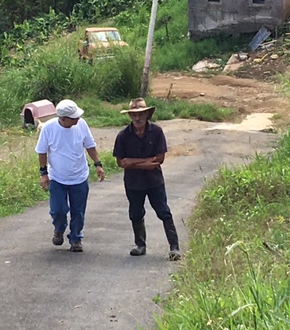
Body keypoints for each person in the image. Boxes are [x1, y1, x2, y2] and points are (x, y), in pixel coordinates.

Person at [113, 98, 181, 261]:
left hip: (154, 181)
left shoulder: (156, 132)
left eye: (141, 114)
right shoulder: (123, 135)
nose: (138, 118)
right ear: (130, 116)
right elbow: (121, 162)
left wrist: (133, 162)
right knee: (135, 213)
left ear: (147, 114)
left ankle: (174, 247)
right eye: (134, 115)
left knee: (163, 212)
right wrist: (145, 163)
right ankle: (140, 245)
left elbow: (159, 160)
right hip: (133, 183)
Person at [35, 99, 105, 252]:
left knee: (78, 211)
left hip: (79, 176)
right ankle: (59, 229)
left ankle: (76, 238)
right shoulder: (49, 128)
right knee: (58, 210)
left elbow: (90, 145)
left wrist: (98, 164)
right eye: (74, 117)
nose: (78, 119)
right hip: (57, 177)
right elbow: (42, 151)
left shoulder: (82, 125)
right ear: (63, 118)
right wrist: (43, 174)